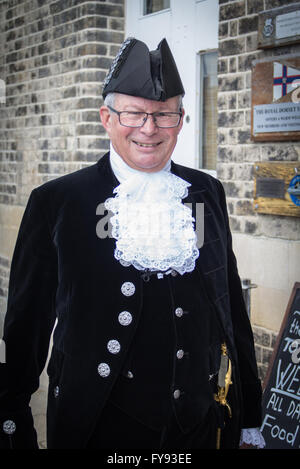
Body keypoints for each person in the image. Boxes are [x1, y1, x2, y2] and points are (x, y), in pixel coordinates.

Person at [0, 37, 265, 449]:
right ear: (106, 117)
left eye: (164, 115)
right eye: (135, 114)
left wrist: (249, 413)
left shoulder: (205, 192)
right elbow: (27, 324)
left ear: (181, 119)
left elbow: (229, 303)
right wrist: (12, 418)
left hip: (194, 424)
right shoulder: (58, 201)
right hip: (96, 424)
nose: (149, 129)